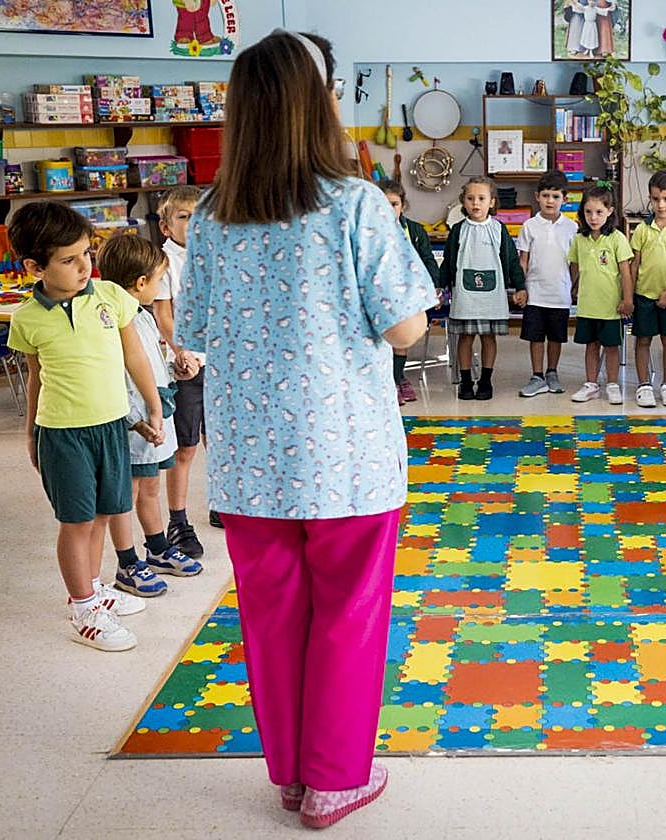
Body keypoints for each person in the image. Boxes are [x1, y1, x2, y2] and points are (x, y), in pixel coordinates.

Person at [174, 30, 438, 826]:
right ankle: (333, 779)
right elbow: (405, 332)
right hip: (345, 457)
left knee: (273, 616)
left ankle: (291, 772)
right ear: (314, 106)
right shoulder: (353, 203)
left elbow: (194, 327)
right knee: (348, 618)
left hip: (252, 463)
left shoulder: (214, 214)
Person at [7, 201, 162, 651]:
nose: (84, 266)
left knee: (101, 515)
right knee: (76, 522)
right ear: (35, 266)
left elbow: (135, 356)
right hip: (63, 434)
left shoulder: (111, 297)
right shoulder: (27, 318)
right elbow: (36, 380)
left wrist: (152, 407)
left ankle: (93, 591)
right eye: (69, 260)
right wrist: (31, 434)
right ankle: (82, 608)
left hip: (111, 426)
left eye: (86, 255)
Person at [97, 234, 203, 598]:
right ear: (141, 283)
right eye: (158, 281)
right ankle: (127, 563)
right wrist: (135, 418)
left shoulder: (140, 315)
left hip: (158, 412)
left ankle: (156, 549)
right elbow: (118, 376)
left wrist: (176, 370)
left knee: (152, 485)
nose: (159, 288)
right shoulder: (114, 321)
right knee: (128, 492)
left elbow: (150, 365)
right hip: (137, 421)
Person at [149, 184, 213, 557]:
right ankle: (178, 520)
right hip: (187, 366)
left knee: (218, 440)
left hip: (220, 363)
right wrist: (183, 352)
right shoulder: (165, 263)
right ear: (166, 225)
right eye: (184, 217)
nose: (194, 224)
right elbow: (164, 315)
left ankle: (220, 502)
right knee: (186, 448)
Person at [437, 176, 528, 401]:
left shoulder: (499, 229)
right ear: (463, 202)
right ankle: (466, 380)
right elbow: (448, 262)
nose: (475, 203)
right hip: (465, 296)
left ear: (492, 202)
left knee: (489, 337)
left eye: (481, 198)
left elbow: (512, 262)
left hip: (492, 295)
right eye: (470, 198)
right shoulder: (458, 230)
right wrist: (440, 288)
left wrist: (520, 286)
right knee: (465, 338)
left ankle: (486, 380)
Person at [568, 185, 634, 404]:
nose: (593, 217)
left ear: (609, 211)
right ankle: (591, 384)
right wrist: (573, 287)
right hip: (588, 305)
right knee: (591, 345)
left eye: (598, 212)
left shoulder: (617, 239)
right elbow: (575, 266)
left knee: (612, 346)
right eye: (588, 212)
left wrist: (627, 299)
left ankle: (613, 384)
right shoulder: (579, 239)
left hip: (611, 307)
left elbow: (625, 272)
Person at [378, 178, 440, 405]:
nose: (388, 209)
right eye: (383, 204)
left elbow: (428, 261)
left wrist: (434, 288)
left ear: (402, 205)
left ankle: (398, 377)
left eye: (393, 204)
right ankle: (390, 380)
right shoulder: (370, 231)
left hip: (407, 293)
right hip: (381, 293)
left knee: (401, 340)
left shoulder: (414, 230)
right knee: (387, 340)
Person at [630, 169, 666, 407]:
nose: (661, 205)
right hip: (643, 295)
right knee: (642, 340)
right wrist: (629, 296)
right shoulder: (642, 229)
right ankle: (644, 385)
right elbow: (635, 264)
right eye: (655, 199)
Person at [517, 169, 578, 398]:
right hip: (535, 292)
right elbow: (523, 260)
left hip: (560, 294)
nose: (550, 201)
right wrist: (521, 288)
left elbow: (575, 263)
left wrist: (572, 287)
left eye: (555, 196)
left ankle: (552, 372)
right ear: (537, 197)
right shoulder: (529, 226)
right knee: (535, 336)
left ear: (565, 199)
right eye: (545, 196)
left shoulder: (572, 228)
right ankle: (537, 375)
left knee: (556, 336)